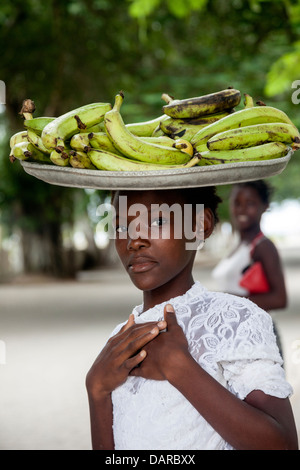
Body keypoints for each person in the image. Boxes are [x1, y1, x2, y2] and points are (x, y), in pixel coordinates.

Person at [86, 187, 298, 450]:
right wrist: (96, 390)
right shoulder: (120, 338)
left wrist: (180, 368)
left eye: (157, 221)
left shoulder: (236, 321)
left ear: (199, 225)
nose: (134, 240)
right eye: (120, 227)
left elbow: (283, 445)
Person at [212, 180, 286, 354]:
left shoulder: (263, 246)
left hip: (257, 335)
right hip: (235, 334)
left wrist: (227, 300)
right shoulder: (240, 244)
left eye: (250, 203)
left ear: (264, 206)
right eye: (236, 203)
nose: (242, 209)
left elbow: (280, 299)